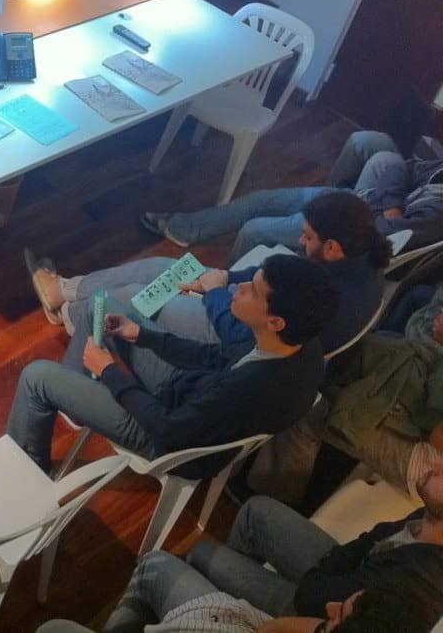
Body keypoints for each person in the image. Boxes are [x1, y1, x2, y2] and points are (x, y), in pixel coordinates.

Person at [7, 254, 337, 476]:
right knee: (97, 305)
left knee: (36, 377)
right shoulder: (300, 346)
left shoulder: (247, 388)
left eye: (254, 291)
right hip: (189, 396)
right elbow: (213, 358)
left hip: (167, 438)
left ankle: (27, 472)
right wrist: (143, 336)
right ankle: (77, 405)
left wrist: (109, 372)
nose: (238, 286)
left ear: (276, 321)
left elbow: (167, 428)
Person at [30, 191, 386, 363]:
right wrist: (223, 275)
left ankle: (73, 317)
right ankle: (63, 291)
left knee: (141, 294)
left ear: (334, 247)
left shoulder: (330, 296)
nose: (299, 240)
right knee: (162, 268)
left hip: (236, 336)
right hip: (251, 314)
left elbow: (242, 338)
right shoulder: (357, 258)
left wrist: (216, 293)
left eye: (308, 237)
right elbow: (277, 276)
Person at [246, 282, 443, 505]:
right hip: (426, 402)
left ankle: (273, 498)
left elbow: (434, 431)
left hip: (427, 459)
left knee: (307, 408)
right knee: (371, 350)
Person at [142, 130, 443, 263]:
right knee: (259, 200)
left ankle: (226, 283)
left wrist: (388, 201)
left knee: (255, 229)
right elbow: (411, 164)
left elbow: (394, 233)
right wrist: (390, 193)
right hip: (360, 202)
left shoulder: (436, 214)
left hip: (355, 231)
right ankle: (184, 227)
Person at [186, 475, 443, 620]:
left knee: (202, 553)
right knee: (256, 511)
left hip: (325, 614)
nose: (435, 464)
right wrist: (336, 560)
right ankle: (225, 603)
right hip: (343, 572)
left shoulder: (416, 579)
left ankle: (220, 612)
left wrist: (329, 570)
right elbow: (371, 537)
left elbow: (310, 597)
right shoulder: (428, 515)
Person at [35, 553, 438, 632]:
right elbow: (278, 626)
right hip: (225, 616)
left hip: (210, 620)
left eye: (338, 616)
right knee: (156, 565)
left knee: (52, 627)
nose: (330, 608)